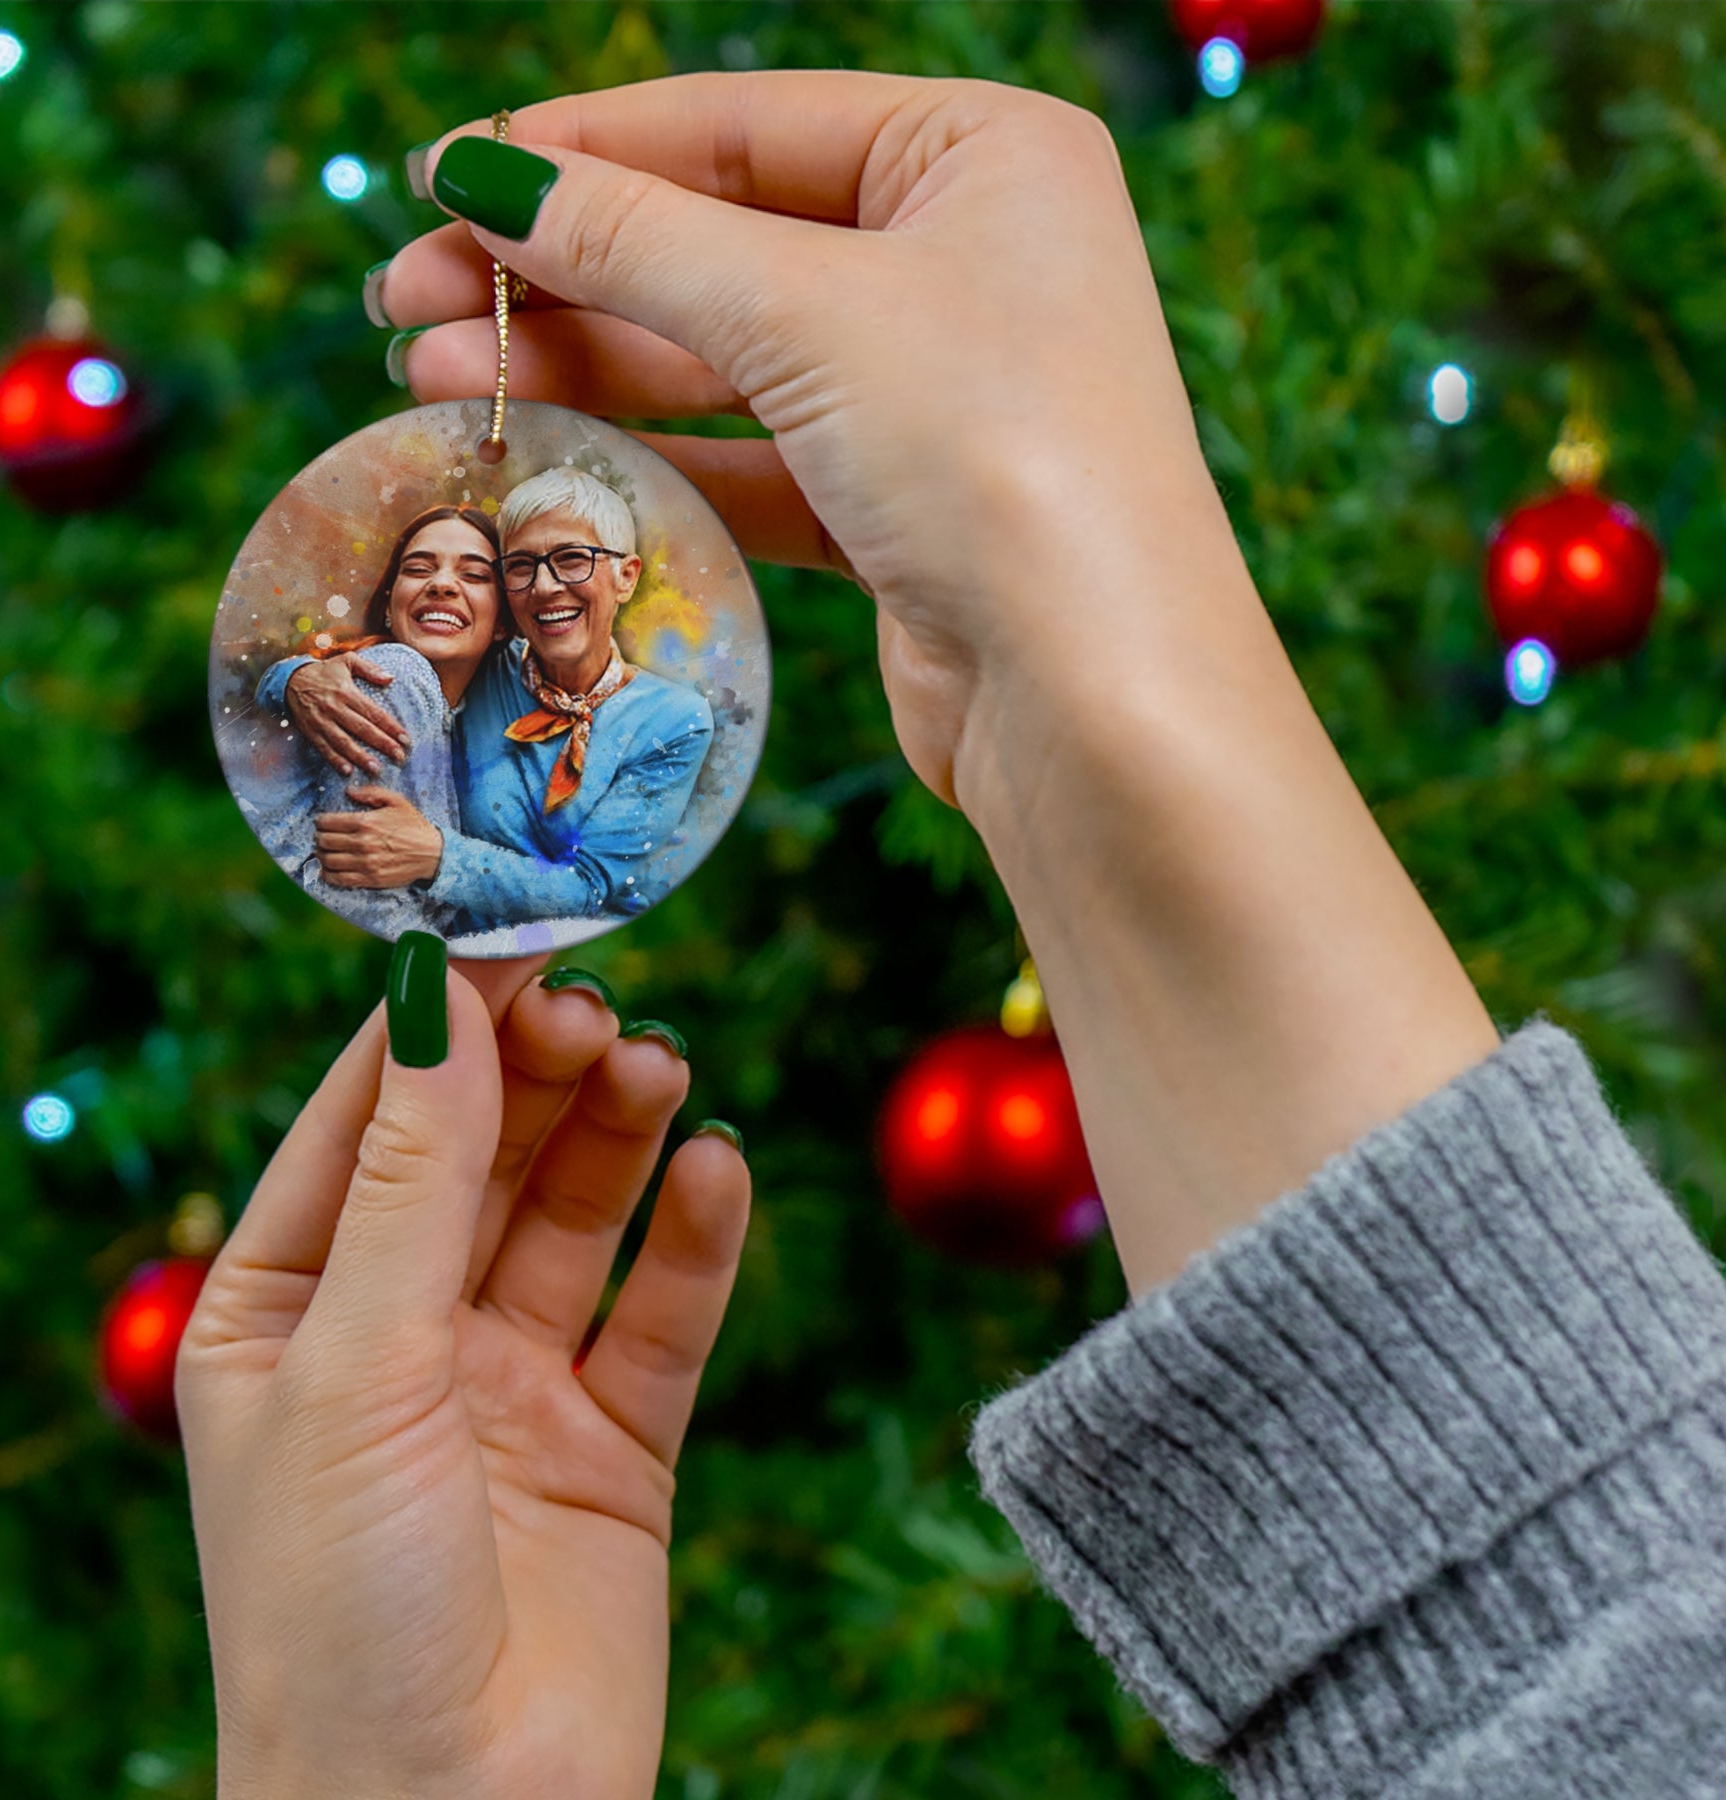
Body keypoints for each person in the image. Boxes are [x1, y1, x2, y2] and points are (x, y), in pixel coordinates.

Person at [177, 70, 1726, 1800]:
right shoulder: (438, 690)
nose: (522, 598)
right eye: (493, 576)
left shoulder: (664, 724)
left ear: (615, 590)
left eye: (556, 575)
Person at [263, 467, 714, 931]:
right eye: (520, 566)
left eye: (573, 559)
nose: (544, 586)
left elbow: (591, 887)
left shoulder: (673, 721)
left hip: (566, 948)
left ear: (626, 576)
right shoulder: (476, 665)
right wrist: (293, 678)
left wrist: (437, 855)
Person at [249, 502, 507, 938]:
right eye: (419, 569)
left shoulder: (478, 730)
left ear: (502, 623)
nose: (442, 584)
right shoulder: (394, 674)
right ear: (390, 604)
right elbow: (360, 889)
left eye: (475, 575)